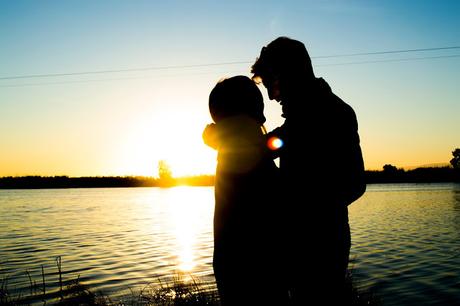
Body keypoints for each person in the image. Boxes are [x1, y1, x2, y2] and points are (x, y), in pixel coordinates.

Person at [250, 36, 366, 305]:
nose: (271, 96)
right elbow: (274, 144)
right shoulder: (306, 117)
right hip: (305, 242)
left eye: (273, 86)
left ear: (290, 73)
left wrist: (308, 207)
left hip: (321, 246)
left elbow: (355, 183)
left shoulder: (326, 114)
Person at [206, 76, 288, 305]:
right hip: (255, 267)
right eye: (258, 101)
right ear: (251, 107)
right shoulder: (244, 146)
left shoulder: (231, 145)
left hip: (233, 264)